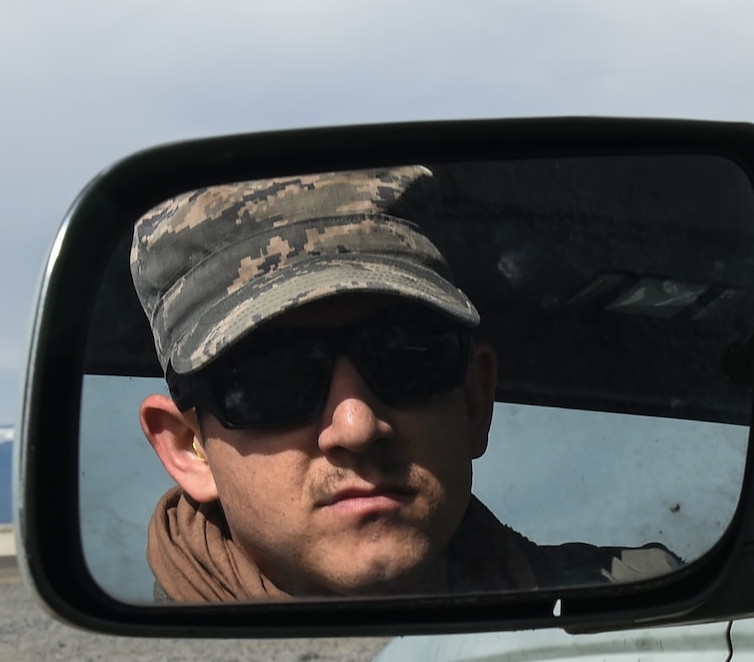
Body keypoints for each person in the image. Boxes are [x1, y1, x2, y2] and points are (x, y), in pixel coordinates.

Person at [130, 165, 678, 603]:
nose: (357, 425)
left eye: (407, 357)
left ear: (474, 402)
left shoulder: (652, 611)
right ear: (188, 450)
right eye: (272, 379)